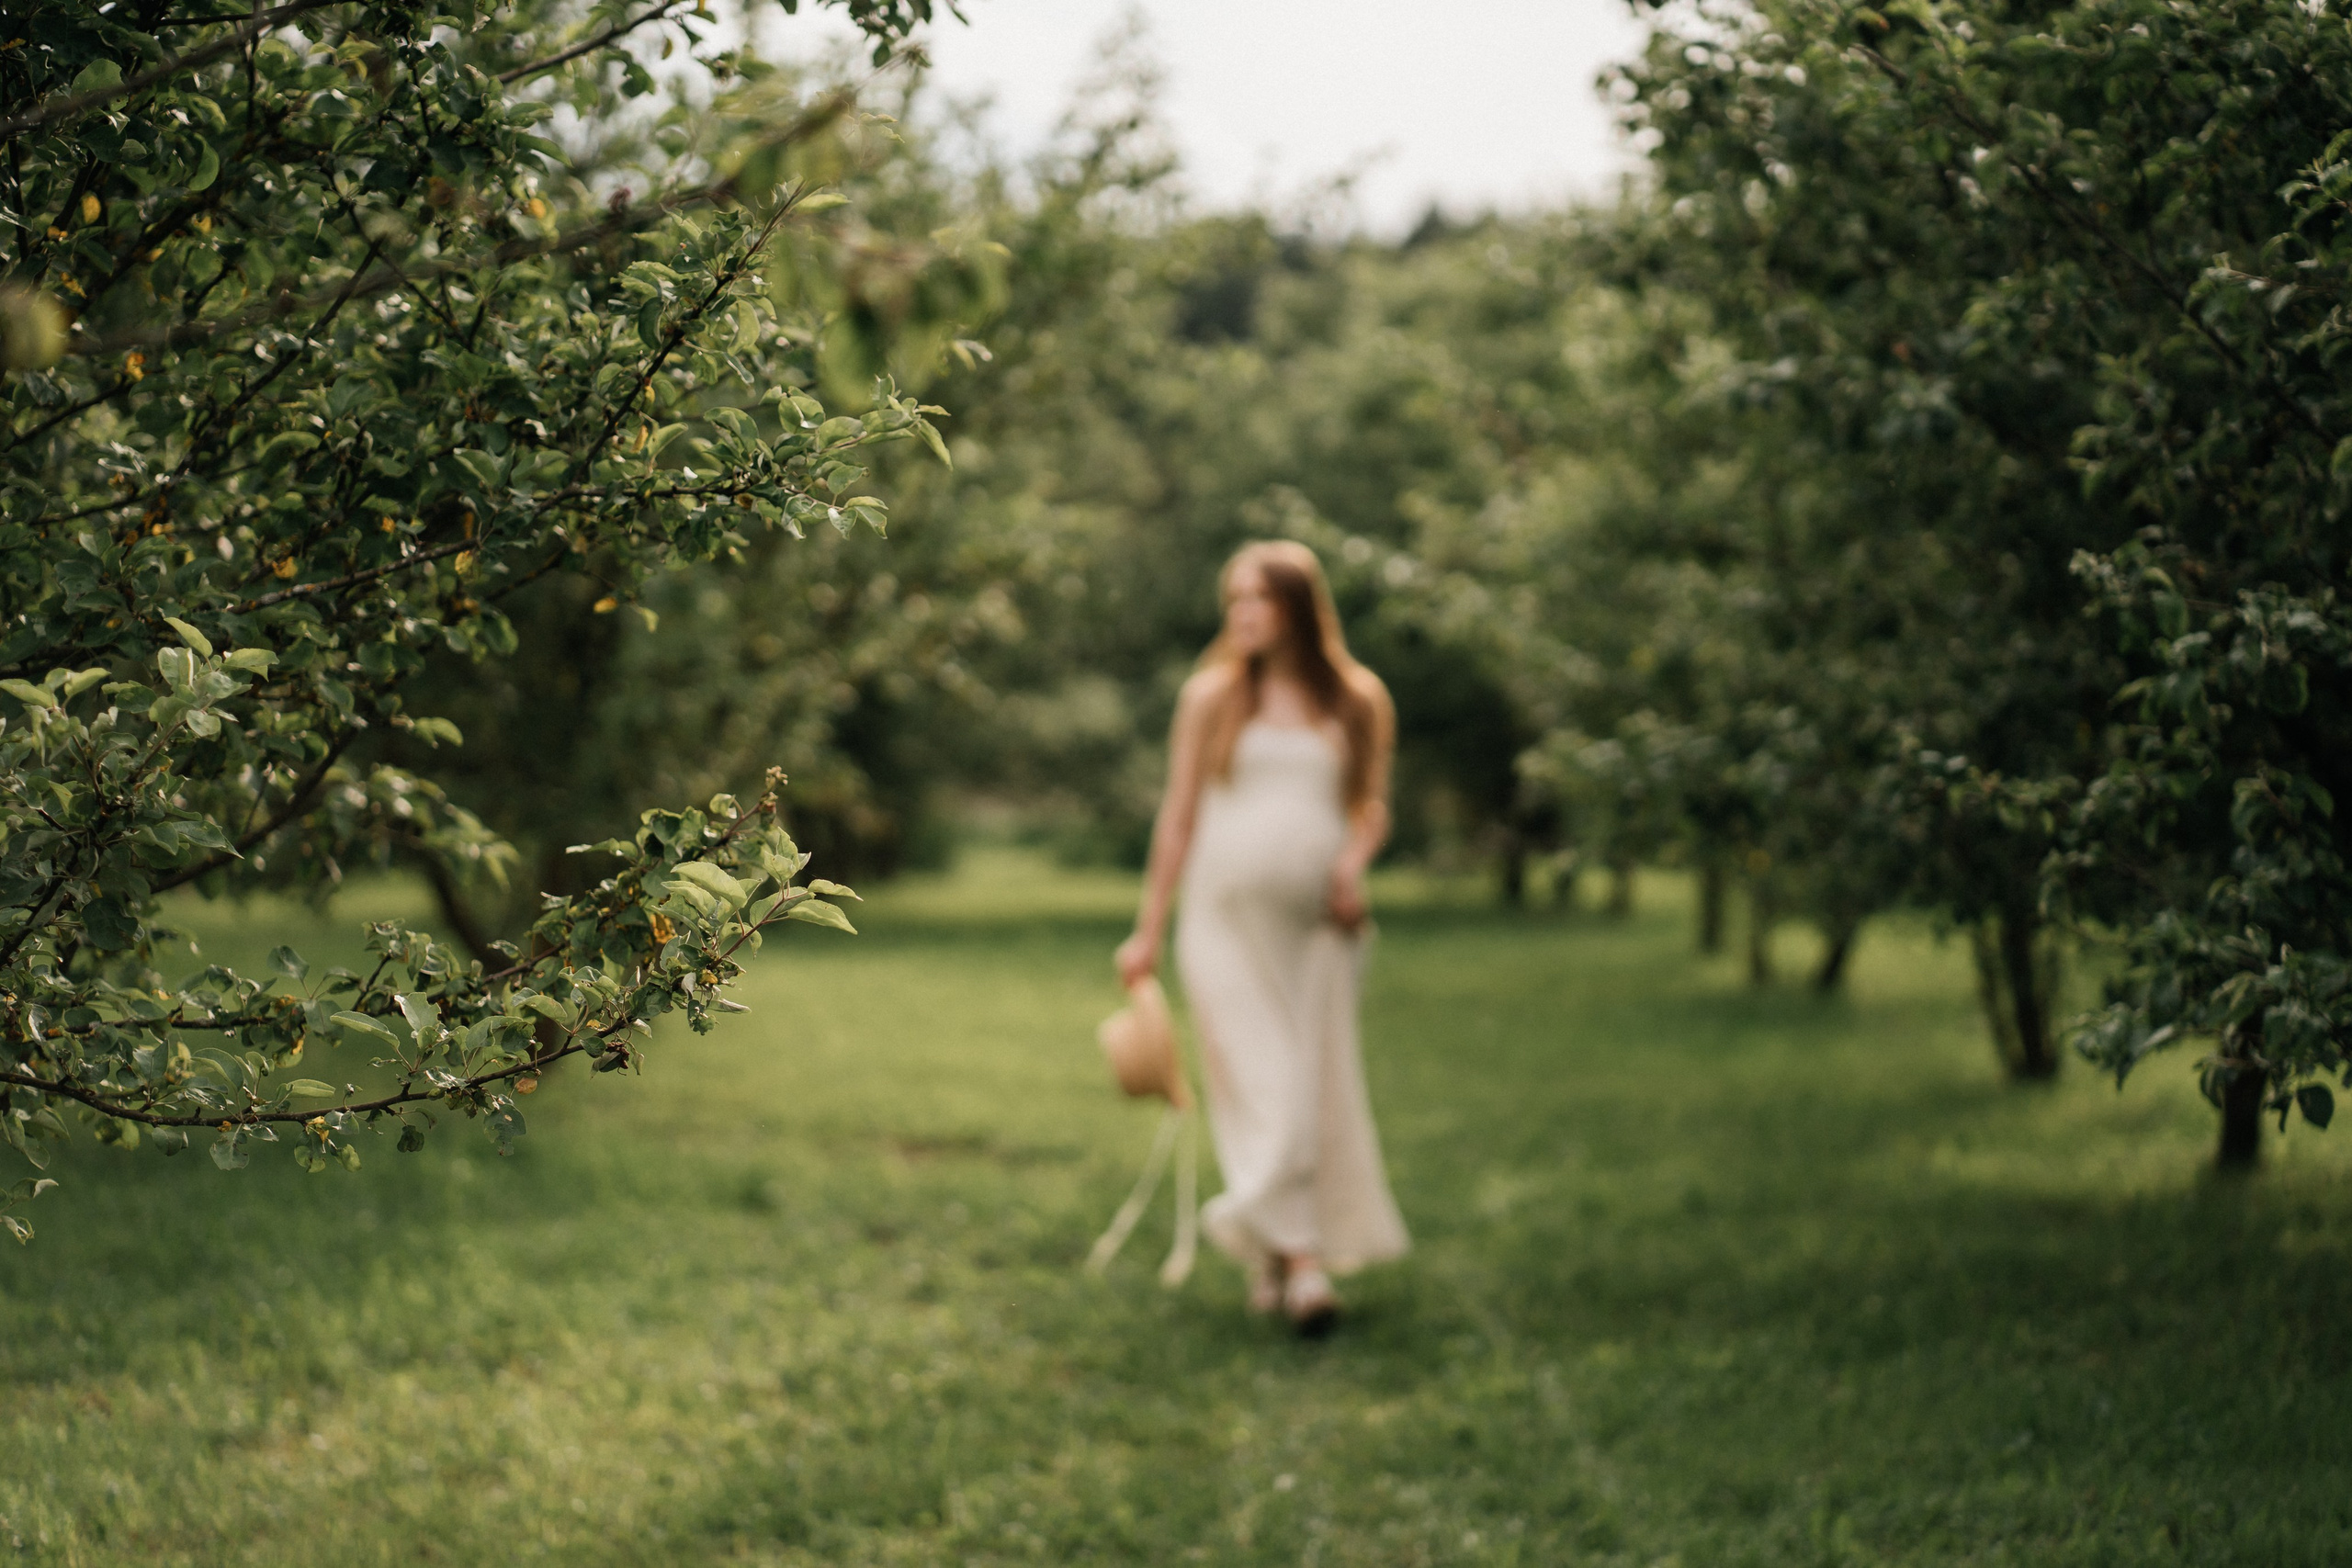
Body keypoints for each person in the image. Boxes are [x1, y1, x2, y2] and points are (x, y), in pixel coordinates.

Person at [1115, 540, 1410, 1336]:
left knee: (1310, 1086)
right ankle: (1306, 1266)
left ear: (1298, 607)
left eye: (1258, 598)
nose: (1242, 613)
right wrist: (1147, 929)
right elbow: (1178, 816)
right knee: (1263, 1083)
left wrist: (1350, 867)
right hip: (1221, 924)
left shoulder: (1355, 697)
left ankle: (1274, 1254)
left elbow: (1370, 808)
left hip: (1317, 933)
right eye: (1234, 600)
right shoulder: (1212, 697)